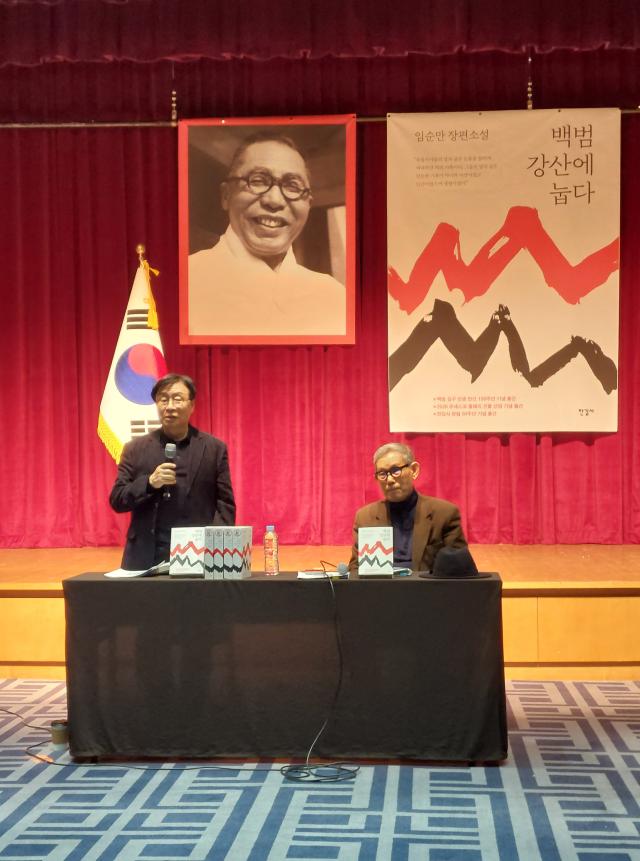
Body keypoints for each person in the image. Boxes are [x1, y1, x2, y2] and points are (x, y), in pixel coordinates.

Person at [188, 132, 346, 337]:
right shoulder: (184, 282)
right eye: (258, 180)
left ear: (308, 204)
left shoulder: (333, 297)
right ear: (226, 196)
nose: (274, 201)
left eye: (292, 186)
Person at [109, 373, 236, 570]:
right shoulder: (135, 449)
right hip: (146, 556)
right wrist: (149, 483)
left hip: (198, 554)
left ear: (191, 405)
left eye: (177, 399)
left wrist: (215, 548)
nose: (169, 406)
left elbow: (225, 504)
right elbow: (118, 499)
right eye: (163, 399)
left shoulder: (214, 449)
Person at [348, 442, 467, 573]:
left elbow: (460, 569)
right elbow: (355, 570)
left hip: (425, 585)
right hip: (381, 585)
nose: (389, 480)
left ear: (414, 470)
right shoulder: (365, 518)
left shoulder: (444, 514)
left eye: (395, 471)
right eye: (382, 474)